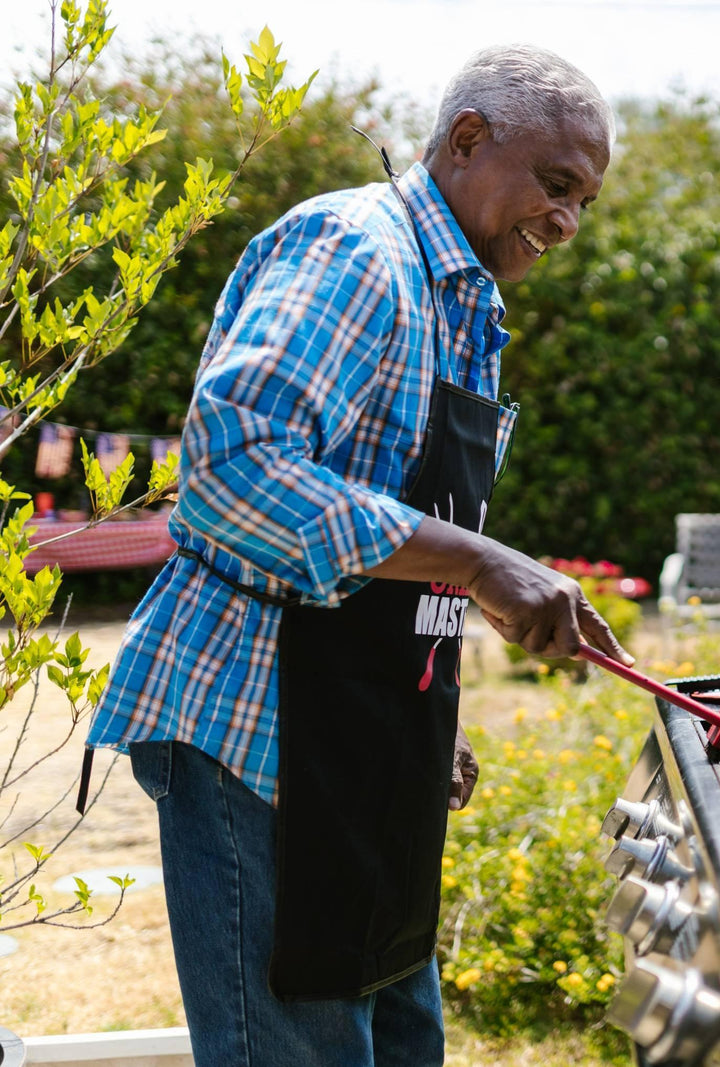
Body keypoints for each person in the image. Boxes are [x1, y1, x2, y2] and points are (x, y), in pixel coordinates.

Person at [81, 44, 627, 1066]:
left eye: (585, 202)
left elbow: (397, 515)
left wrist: (427, 712)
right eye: (556, 185)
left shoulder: (465, 302)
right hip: (256, 721)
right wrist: (481, 562)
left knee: (399, 1036)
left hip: (367, 735)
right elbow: (235, 466)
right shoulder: (356, 251)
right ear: (467, 139)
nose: (567, 221)